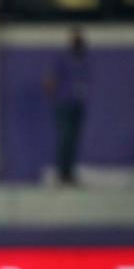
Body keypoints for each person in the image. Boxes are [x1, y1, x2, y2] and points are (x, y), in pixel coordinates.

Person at [43, 28, 90, 185]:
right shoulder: (62, 57)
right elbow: (50, 80)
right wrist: (54, 96)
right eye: (75, 38)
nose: (78, 41)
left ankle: (69, 172)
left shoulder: (83, 59)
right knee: (65, 138)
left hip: (78, 104)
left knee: (74, 139)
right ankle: (62, 173)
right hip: (64, 104)